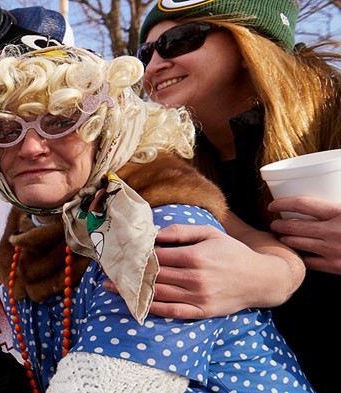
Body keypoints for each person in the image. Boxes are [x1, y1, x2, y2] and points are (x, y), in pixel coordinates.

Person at [0, 45, 311, 391]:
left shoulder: (153, 223)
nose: (30, 147)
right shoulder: (35, 227)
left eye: (61, 121)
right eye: (4, 129)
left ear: (106, 132)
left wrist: (284, 273)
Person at [138, 2, 341, 389]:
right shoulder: (163, 166)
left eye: (178, 41)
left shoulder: (333, 115)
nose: (153, 66)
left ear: (251, 44)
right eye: (145, 53)